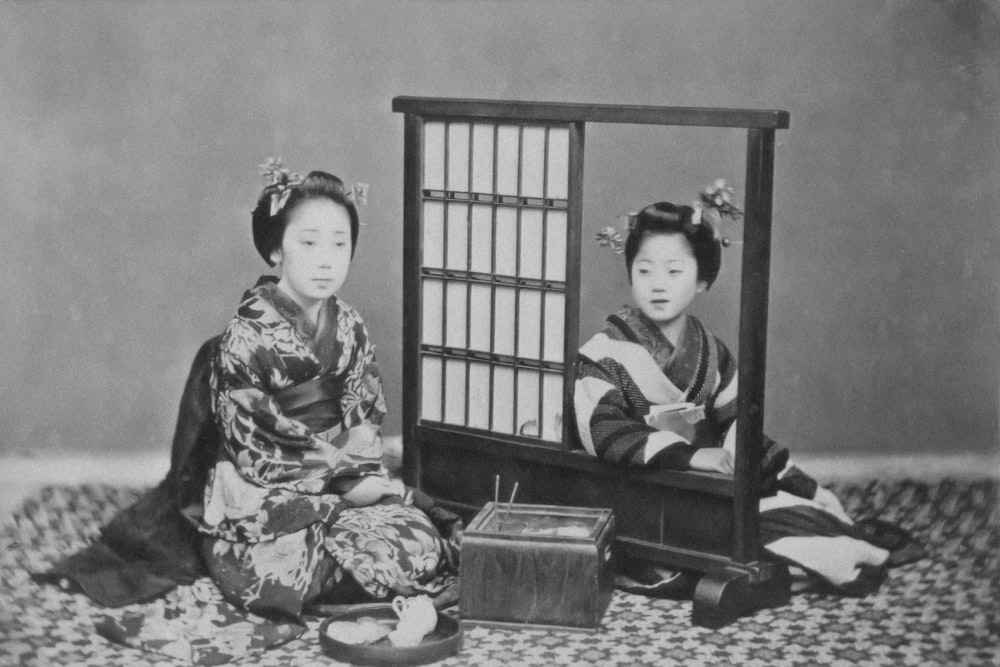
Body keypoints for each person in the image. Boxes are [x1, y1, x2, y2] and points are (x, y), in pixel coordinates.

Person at [576, 198, 921, 596]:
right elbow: (602, 430)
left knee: (803, 519)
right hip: (638, 496)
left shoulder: (712, 354)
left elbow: (742, 429)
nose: (657, 284)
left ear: (703, 279)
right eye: (644, 270)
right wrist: (690, 457)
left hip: (702, 492)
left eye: (674, 271)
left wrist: (805, 486)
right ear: (630, 273)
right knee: (757, 544)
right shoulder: (604, 352)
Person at [191, 162, 457, 620]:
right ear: (275, 248)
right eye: (308, 243)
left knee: (417, 541)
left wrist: (354, 476)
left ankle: (352, 579)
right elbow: (255, 446)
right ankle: (342, 580)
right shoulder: (246, 337)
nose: (326, 259)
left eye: (340, 244)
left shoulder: (349, 325)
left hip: (340, 479)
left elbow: (364, 415)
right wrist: (339, 482)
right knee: (326, 554)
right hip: (270, 489)